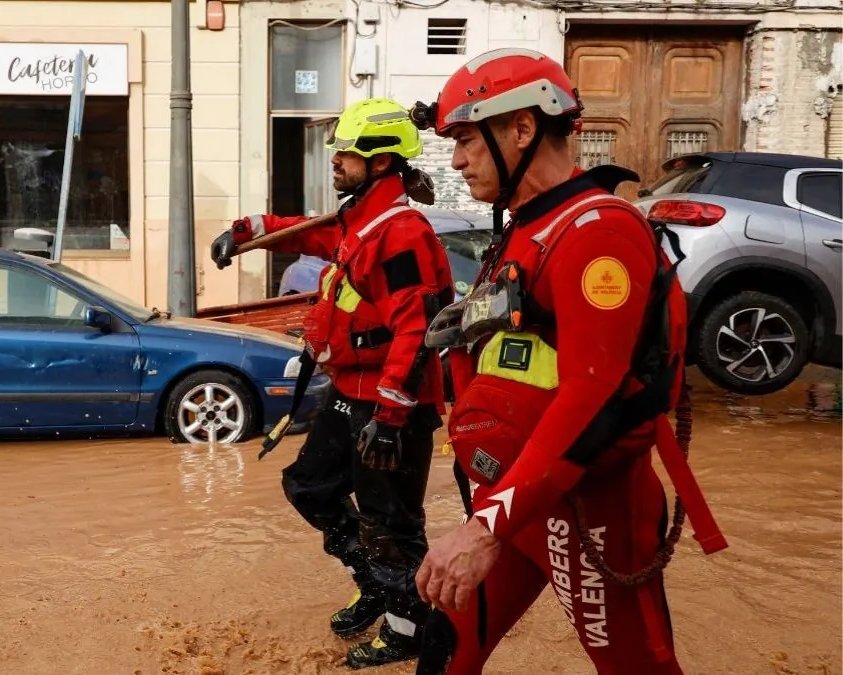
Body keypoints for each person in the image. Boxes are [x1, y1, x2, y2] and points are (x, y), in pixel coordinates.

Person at [405, 48, 728, 674]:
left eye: (467, 139)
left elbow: (592, 397)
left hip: (590, 509)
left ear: (522, 129)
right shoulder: (525, 226)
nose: (456, 160)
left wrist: (484, 528)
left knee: (637, 668)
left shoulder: (595, 233)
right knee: (445, 650)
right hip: (521, 495)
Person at [210, 97, 455, 669]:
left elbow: (415, 330)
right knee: (309, 487)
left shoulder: (401, 234)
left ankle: (408, 628)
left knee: (389, 521)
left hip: (392, 405)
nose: (334, 161)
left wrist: (392, 419)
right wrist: (246, 230)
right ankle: (375, 583)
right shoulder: (362, 220)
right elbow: (306, 232)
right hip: (353, 393)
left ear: (380, 160)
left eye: (344, 152)